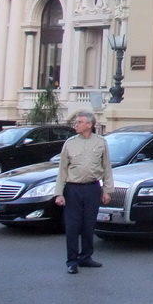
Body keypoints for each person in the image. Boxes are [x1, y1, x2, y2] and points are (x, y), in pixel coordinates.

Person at [55, 111, 114, 274]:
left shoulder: (101, 142)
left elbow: (107, 167)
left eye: (80, 122)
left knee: (89, 225)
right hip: (73, 189)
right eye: (76, 122)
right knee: (73, 226)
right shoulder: (70, 143)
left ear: (89, 124)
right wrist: (59, 193)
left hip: (92, 188)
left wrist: (107, 190)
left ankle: (86, 257)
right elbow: (62, 170)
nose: (76, 124)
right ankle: (72, 260)